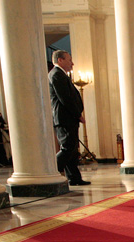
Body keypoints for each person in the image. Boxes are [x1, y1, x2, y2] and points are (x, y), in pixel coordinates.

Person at [48, 50, 91, 186]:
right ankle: (51, 171)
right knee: (67, 147)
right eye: (69, 60)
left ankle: (74, 178)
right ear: (60, 60)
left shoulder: (61, 75)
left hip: (68, 118)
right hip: (64, 118)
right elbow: (65, 98)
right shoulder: (56, 75)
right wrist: (77, 114)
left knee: (72, 150)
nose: (72, 63)